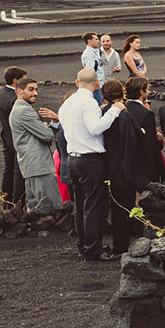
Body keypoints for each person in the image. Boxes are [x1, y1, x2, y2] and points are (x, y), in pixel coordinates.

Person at [58, 68, 127, 261]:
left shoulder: (67, 103)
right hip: (90, 159)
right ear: (97, 83)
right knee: (94, 205)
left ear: (77, 82)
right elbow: (96, 128)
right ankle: (93, 248)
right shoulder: (88, 103)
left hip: (73, 158)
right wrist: (115, 110)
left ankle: (84, 244)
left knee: (80, 205)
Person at [101, 78, 157, 255]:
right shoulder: (123, 116)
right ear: (122, 93)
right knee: (123, 210)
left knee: (115, 209)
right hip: (123, 168)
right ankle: (121, 247)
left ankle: (117, 245)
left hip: (106, 165)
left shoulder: (102, 112)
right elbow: (132, 144)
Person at [9, 77, 62, 213]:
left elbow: (43, 132)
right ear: (19, 91)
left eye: (36, 89)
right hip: (39, 167)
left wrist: (48, 124)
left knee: (35, 209)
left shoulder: (19, 109)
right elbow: (47, 135)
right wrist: (51, 124)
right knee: (51, 208)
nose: (35, 93)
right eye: (31, 89)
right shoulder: (24, 111)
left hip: (31, 166)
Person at [0, 66, 28, 204]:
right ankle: (18, 202)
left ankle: (5, 199)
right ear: (15, 81)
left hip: (6, 137)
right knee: (18, 173)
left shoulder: (0, 93)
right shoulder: (15, 99)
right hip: (17, 139)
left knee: (8, 171)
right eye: (23, 81)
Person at [80, 32, 105, 103]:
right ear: (89, 41)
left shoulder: (95, 52)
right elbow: (90, 71)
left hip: (98, 85)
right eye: (96, 39)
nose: (98, 41)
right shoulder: (89, 54)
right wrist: (95, 84)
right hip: (95, 86)